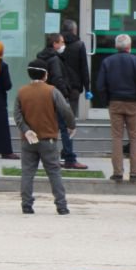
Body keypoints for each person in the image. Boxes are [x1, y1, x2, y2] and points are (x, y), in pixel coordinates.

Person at [14, 59, 75, 215]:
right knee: (54, 172)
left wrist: (27, 130)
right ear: (45, 75)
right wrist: (71, 124)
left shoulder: (22, 92)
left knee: (27, 172)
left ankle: (26, 204)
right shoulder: (52, 91)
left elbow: (17, 115)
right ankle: (61, 205)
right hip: (48, 139)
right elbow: (65, 109)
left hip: (28, 139)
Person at [97, 33, 136, 182]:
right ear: (129, 46)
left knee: (116, 137)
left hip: (115, 102)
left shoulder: (107, 62)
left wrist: (106, 101)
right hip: (135, 103)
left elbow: (100, 85)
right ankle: (135, 172)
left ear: (116, 46)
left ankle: (117, 172)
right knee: (135, 138)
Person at [36, 33, 87, 170]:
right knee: (67, 128)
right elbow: (58, 78)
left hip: (45, 96)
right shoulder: (54, 59)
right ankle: (70, 158)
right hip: (56, 97)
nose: (64, 45)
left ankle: (51, 158)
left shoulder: (42, 57)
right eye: (62, 42)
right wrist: (65, 95)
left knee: (51, 129)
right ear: (55, 44)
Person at [60, 19, 91, 117]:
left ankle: (60, 130)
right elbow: (84, 67)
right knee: (71, 115)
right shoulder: (79, 45)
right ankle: (69, 130)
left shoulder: (56, 43)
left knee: (58, 112)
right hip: (75, 84)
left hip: (58, 82)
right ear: (74, 30)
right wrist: (87, 88)